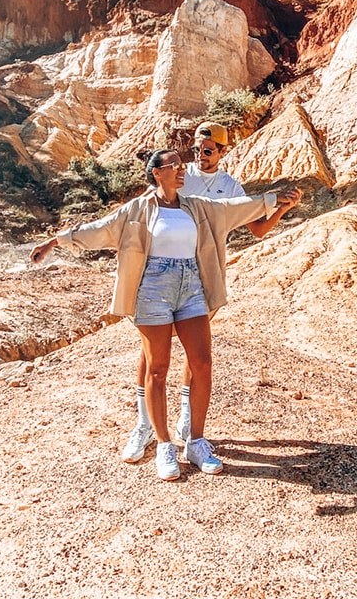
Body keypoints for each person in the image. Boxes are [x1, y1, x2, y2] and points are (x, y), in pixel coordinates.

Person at [30, 149, 301, 481]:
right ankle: (163, 445)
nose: (182, 169)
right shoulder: (137, 210)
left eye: (182, 165)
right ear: (157, 173)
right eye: (175, 165)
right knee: (157, 369)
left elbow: (236, 209)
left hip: (191, 286)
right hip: (152, 289)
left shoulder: (197, 206)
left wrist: (274, 199)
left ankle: (196, 442)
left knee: (202, 363)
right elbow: (98, 229)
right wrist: (54, 242)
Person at [125, 122, 302, 462]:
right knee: (150, 353)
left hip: (204, 276)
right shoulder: (179, 174)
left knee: (197, 352)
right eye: (197, 149)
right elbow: (145, 207)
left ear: (223, 152)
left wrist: (281, 208)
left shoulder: (229, 187)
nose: (201, 156)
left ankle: (189, 425)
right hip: (162, 274)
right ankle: (144, 424)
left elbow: (258, 229)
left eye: (209, 151)